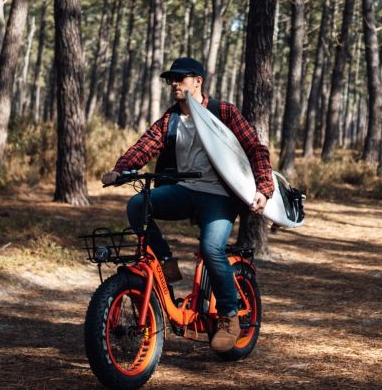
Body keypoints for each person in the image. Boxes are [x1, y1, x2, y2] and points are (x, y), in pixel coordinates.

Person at [101, 57, 274, 353]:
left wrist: (264, 189)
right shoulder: (171, 119)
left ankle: (229, 318)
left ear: (198, 81)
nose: (174, 84)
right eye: (171, 79)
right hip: (184, 190)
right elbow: (145, 146)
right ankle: (166, 263)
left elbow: (255, 149)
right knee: (137, 206)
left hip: (219, 195)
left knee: (211, 249)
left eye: (180, 78)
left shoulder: (223, 112)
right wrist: (120, 169)